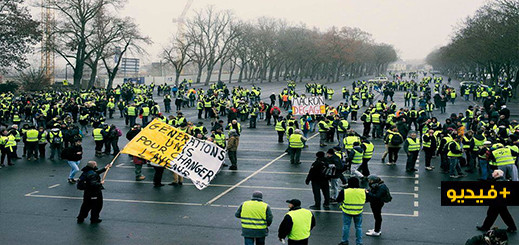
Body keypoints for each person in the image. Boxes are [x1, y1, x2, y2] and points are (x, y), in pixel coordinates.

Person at [337, 177, 366, 245]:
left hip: (347, 211)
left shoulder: (344, 191)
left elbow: (338, 200)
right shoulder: (362, 191)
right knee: (358, 227)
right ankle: (359, 242)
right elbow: (367, 199)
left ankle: (344, 241)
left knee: (346, 226)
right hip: (358, 211)